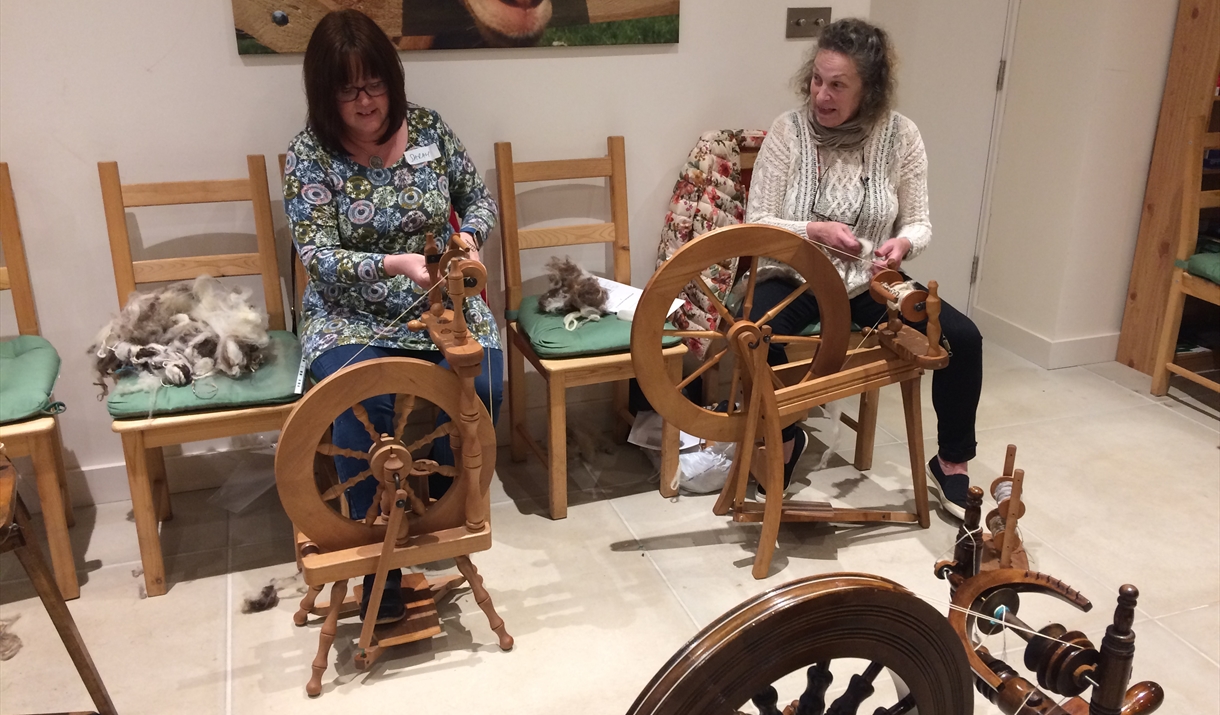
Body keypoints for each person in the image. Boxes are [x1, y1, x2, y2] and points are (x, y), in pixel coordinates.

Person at [284, 9, 502, 624]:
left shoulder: (429, 127)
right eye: (348, 88)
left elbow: (477, 200)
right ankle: (375, 548)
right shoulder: (310, 157)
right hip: (348, 313)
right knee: (365, 406)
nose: (365, 100)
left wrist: (469, 242)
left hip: (440, 302)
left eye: (375, 83)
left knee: (483, 384)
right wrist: (394, 264)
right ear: (325, 94)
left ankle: (441, 513)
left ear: (392, 79)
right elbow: (318, 256)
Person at [744, 18, 982, 520]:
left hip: (867, 283)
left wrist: (901, 245)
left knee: (964, 338)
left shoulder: (901, 136)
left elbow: (919, 223)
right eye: (817, 80)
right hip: (794, 277)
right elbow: (757, 221)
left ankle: (952, 462)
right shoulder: (789, 132)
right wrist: (815, 230)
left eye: (838, 85)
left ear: (868, 89)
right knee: (758, 335)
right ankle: (786, 438)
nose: (821, 95)